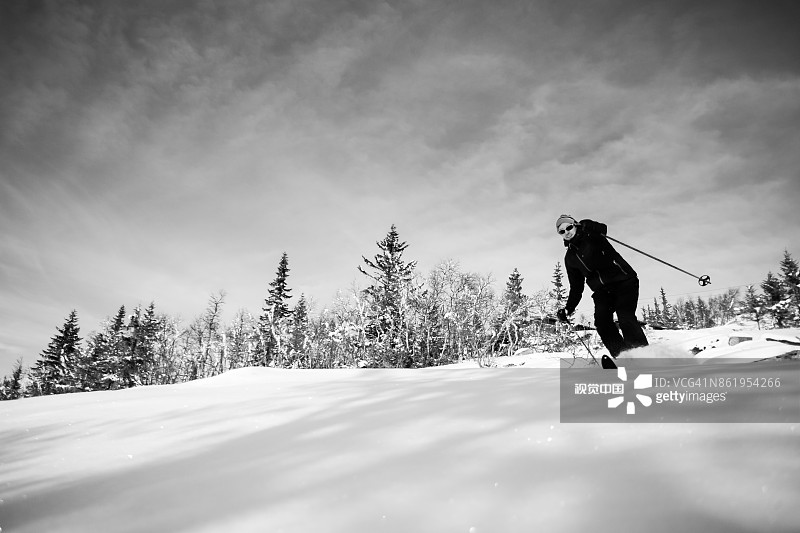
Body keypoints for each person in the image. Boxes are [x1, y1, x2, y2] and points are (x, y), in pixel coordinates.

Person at [555, 214, 648, 359]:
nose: (567, 232)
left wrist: (587, 224)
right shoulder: (570, 258)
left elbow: (603, 229)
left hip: (624, 280)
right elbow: (576, 287)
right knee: (602, 323)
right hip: (602, 291)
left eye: (569, 227)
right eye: (562, 231)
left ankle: (643, 355)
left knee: (625, 317)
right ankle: (624, 357)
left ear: (575, 225)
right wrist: (568, 308)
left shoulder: (591, 235)